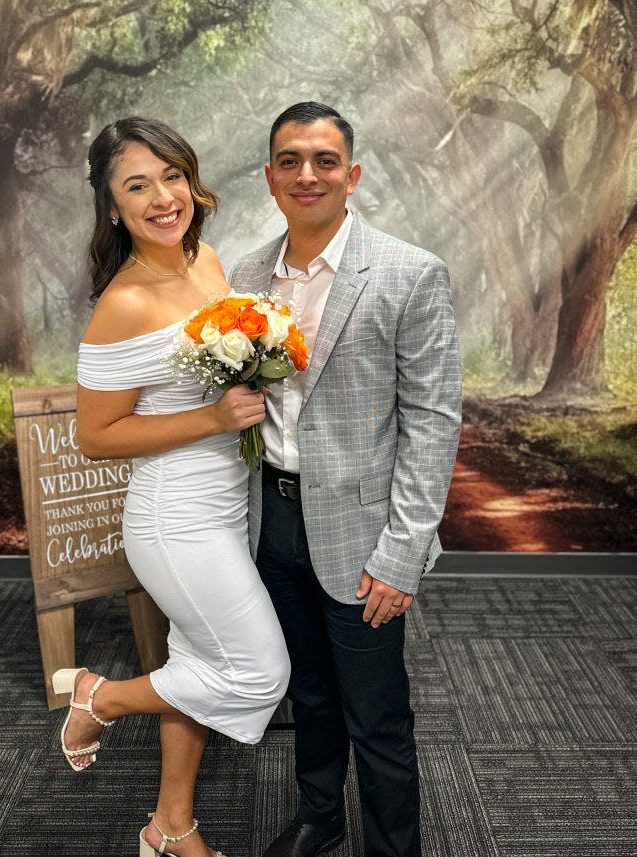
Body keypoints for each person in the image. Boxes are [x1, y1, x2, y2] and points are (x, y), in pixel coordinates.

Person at [229, 102, 461, 857]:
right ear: (270, 177)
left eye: (325, 160)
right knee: (311, 695)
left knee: (378, 714)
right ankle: (319, 817)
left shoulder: (408, 273)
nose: (308, 174)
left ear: (351, 174)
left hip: (364, 536)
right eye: (290, 160)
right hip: (274, 520)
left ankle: (394, 847)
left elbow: (431, 423)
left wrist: (403, 553)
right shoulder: (247, 274)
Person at [56, 117, 290, 857]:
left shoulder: (208, 260)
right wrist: (212, 416)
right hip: (175, 517)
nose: (163, 197)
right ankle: (101, 695)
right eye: (137, 186)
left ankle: (169, 827)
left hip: (227, 503)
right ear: (113, 208)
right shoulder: (122, 303)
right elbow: (95, 436)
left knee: (197, 664)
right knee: (258, 671)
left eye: (172, 176)